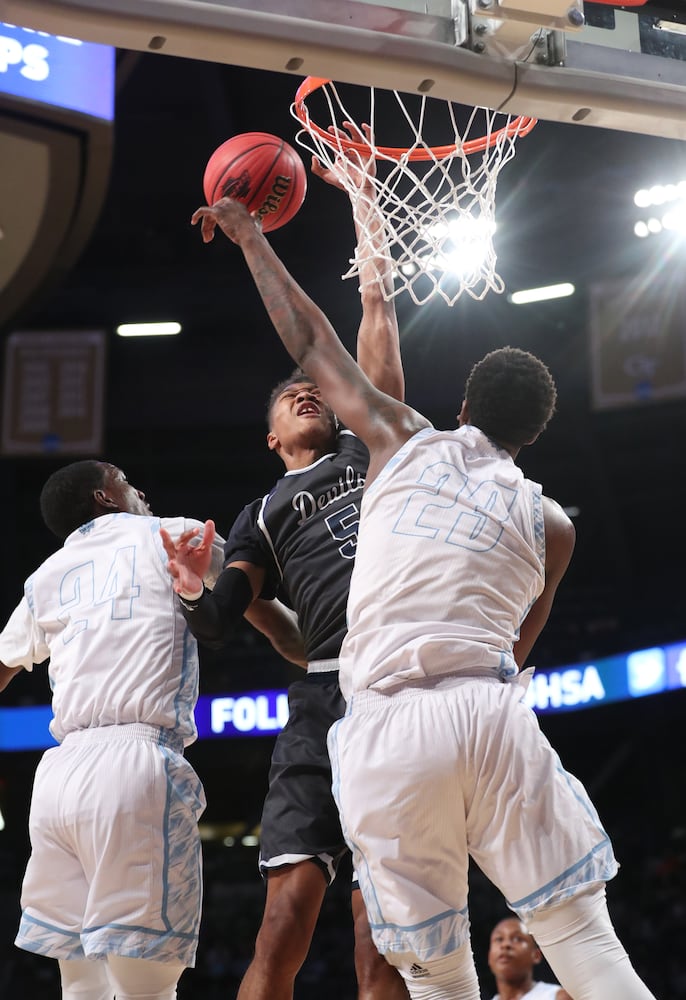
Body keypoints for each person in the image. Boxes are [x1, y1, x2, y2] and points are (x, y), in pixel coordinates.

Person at [186, 192, 659, 1000]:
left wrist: (250, 236)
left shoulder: (400, 439)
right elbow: (518, 650)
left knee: (437, 978)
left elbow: (315, 334)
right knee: (585, 940)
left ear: (462, 409)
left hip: (384, 719)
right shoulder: (552, 523)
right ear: (532, 434)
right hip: (487, 709)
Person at [161, 132, 409, 1000]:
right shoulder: (258, 516)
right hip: (321, 694)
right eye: (285, 399)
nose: (303, 392)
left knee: (378, 935)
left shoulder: (373, 446)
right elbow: (231, 622)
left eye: (310, 390)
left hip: (390, 684)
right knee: (284, 920)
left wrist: (363, 198)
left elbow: (374, 311)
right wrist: (195, 585)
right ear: (271, 437)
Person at [0, 459, 302, 1000]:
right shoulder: (170, 533)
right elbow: (242, 595)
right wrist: (304, 643)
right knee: (147, 980)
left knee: (81, 979)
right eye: (124, 480)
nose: (141, 487)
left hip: (57, 778)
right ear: (105, 497)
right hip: (134, 762)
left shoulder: (45, 575)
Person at [487, 917, 572, 1000]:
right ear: (489, 957)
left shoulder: (559, 997)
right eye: (499, 939)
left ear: (536, 955)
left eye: (517, 939)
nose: (505, 945)